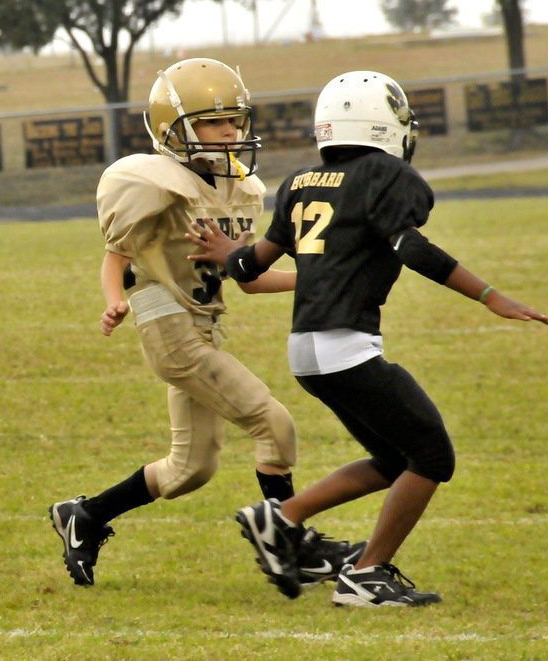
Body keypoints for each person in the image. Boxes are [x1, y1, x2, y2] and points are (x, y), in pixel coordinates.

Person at [191, 70, 548, 606]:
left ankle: (282, 519)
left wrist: (227, 253)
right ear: (384, 124)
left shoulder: (302, 182)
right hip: (346, 346)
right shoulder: (387, 176)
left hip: (306, 351)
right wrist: (489, 295)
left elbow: (249, 267)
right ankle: (366, 575)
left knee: (393, 459)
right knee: (432, 457)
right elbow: (412, 248)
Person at [49, 58, 361, 586]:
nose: (232, 133)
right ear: (176, 130)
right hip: (169, 328)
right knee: (273, 423)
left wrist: (318, 280)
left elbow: (249, 277)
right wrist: (113, 299)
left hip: (205, 325)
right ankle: (288, 542)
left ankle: (85, 516)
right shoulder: (152, 183)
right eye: (216, 123)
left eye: (235, 121)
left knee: (191, 468)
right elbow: (115, 255)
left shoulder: (239, 187)